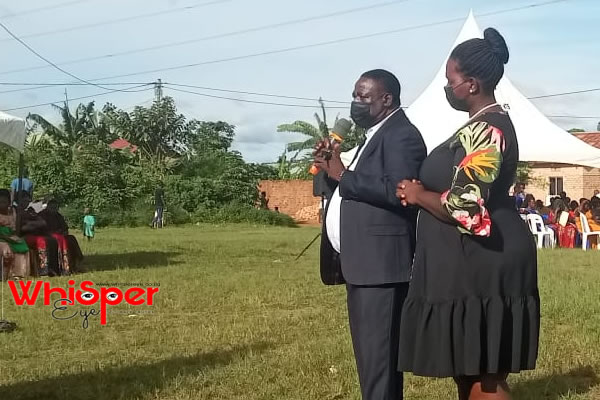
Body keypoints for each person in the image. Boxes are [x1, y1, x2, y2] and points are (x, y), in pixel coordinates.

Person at [396, 28, 539, 399]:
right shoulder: (478, 125)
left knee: (482, 376)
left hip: (482, 261)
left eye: (451, 80)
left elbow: (465, 207)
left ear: (472, 84)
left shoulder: (488, 130)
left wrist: (418, 194)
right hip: (469, 260)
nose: (448, 87)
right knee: (468, 368)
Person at [314, 69, 427, 400]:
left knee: (379, 362)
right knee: (371, 361)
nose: (356, 102)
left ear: (386, 99)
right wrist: (328, 168)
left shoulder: (401, 134)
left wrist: (343, 175)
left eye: (363, 96)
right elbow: (350, 187)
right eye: (354, 95)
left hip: (381, 268)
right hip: (362, 265)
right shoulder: (373, 135)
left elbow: (399, 191)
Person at [17, 191, 62, 276]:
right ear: (19, 200)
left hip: (33, 234)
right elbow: (21, 228)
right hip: (23, 236)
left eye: (28, 201)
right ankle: (43, 269)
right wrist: (32, 225)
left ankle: (53, 268)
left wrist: (31, 224)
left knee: (52, 240)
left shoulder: (30, 211)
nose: (26, 203)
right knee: (42, 241)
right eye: (24, 201)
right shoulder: (15, 211)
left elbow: (42, 223)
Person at [39, 199, 84, 273]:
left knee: (71, 238)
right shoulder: (42, 215)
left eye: (55, 208)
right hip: (46, 236)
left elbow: (65, 228)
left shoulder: (58, 216)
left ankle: (75, 264)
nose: (54, 210)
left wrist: (63, 232)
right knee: (56, 239)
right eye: (52, 208)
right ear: (48, 207)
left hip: (59, 235)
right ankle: (59, 266)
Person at [0, 189, 30, 280]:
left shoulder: (12, 212)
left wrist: (15, 237)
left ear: (9, 203)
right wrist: (7, 238)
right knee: (6, 249)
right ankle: (6, 275)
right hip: (1, 237)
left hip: (10, 235)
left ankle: (19, 273)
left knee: (22, 245)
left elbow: (13, 228)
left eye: (4, 202)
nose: (2, 204)